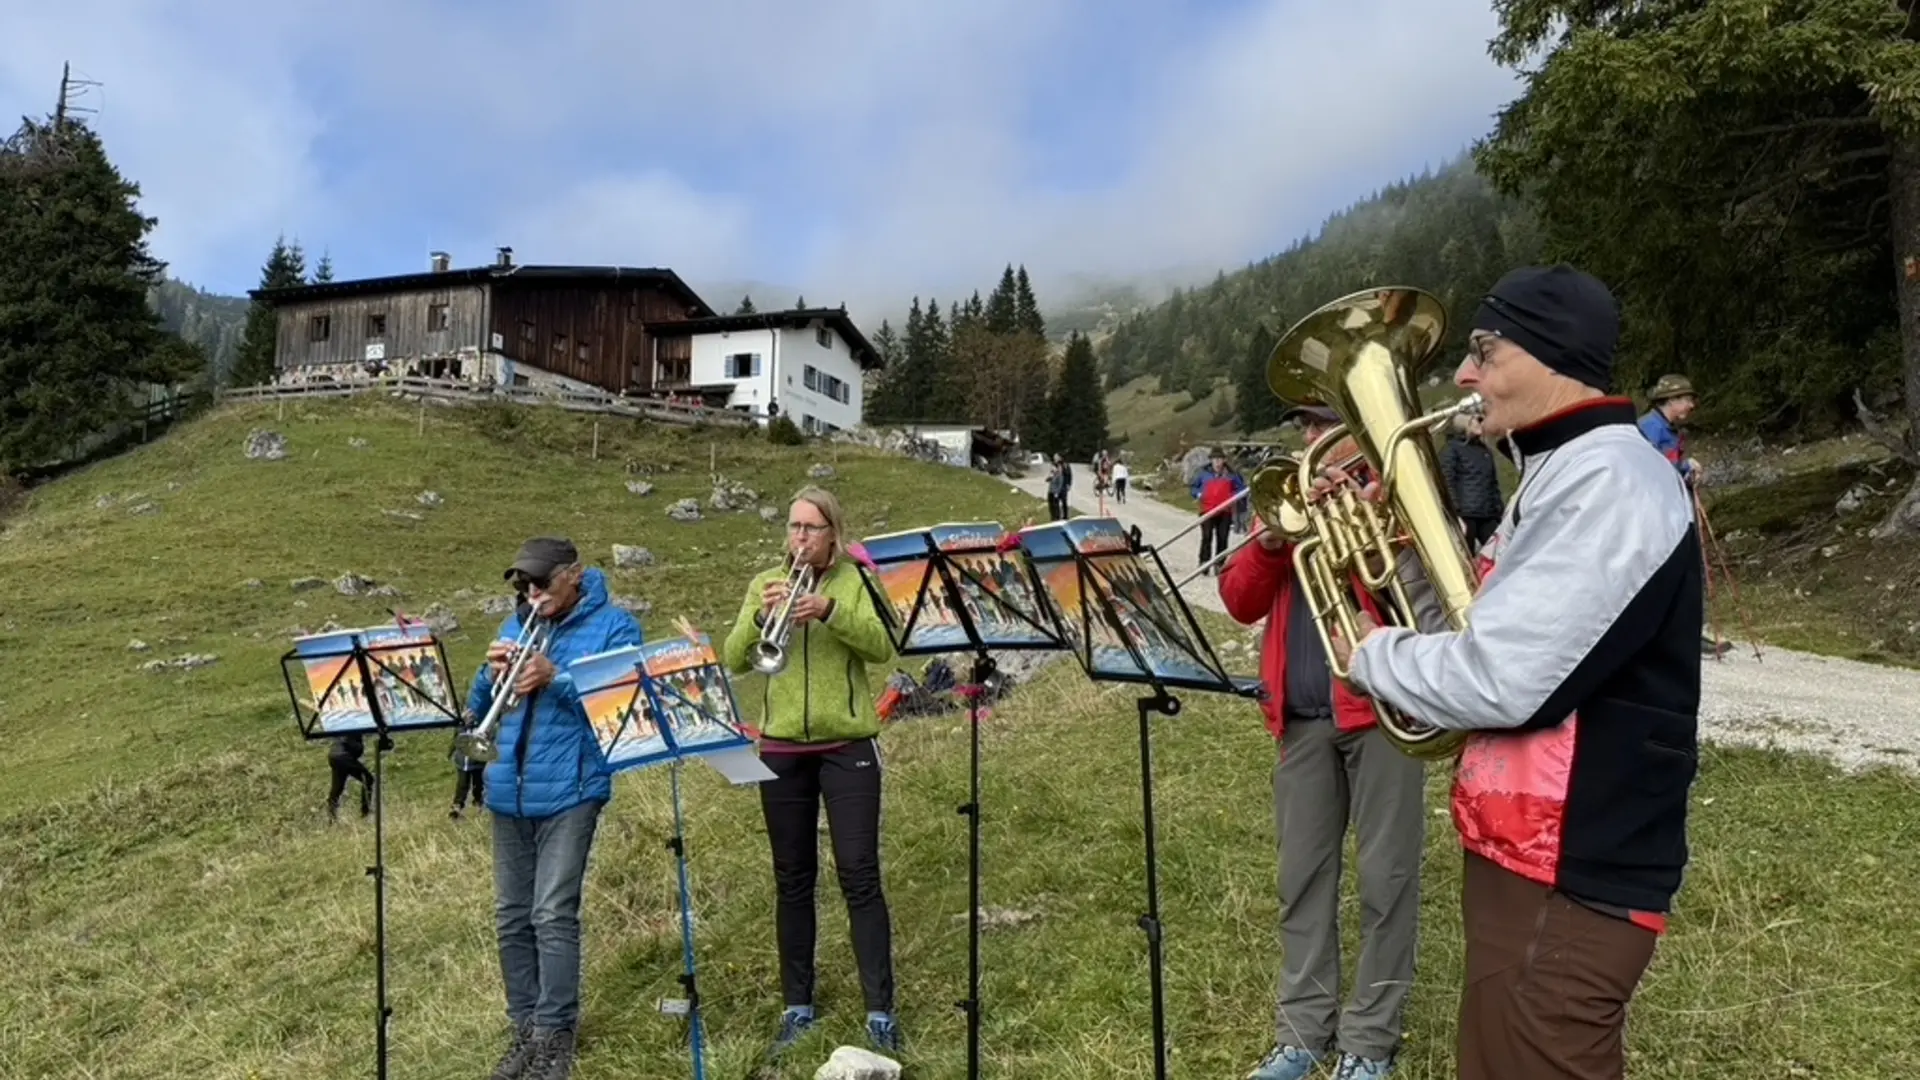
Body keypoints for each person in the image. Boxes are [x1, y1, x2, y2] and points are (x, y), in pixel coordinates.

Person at [1331, 265, 1702, 1080]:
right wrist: (1403, 557)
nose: (1464, 375)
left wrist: (1370, 658)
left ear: (1552, 357)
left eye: (1486, 352)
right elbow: (1483, 635)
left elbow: (1501, 679)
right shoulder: (1561, 473)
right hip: (1530, 856)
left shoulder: (1611, 479)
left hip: (1574, 866)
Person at [1220, 404, 1428, 1080]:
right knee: (1302, 879)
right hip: (1303, 719)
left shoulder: (1396, 493)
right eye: (1306, 428)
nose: (1313, 440)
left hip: (1382, 718)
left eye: (1324, 426)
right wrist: (1272, 542)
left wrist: (1374, 540)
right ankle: (1303, 1034)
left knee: (1385, 879)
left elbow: (1432, 607)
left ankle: (1370, 1039)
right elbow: (1240, 601)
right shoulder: (1286, 502)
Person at [723, 485, 904, 1059]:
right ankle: (796, 1006)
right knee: (792, 878)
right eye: (794, 527)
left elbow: (885, 644)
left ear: (833, 533)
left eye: (811, 528)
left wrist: (829, 611)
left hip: (847, 743)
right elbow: (732, 657)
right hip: (780, 749)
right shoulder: (765, 582)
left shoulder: (856, 580)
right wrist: (761, 617)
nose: (799, 538)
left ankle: (879, 1011)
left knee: (858, 873)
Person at [470, 537, 644, 1080]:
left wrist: (556, 678)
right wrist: (488, 675)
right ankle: (523, 1029)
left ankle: (554, 1034)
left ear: (576, 575)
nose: (532, 592)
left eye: (542, 582)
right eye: (525, 584)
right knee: (510, 917)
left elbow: (620, 704)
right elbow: (479, 709)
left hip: (572, 788)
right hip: (508, 789)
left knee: (551, 913)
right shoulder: (512, 627)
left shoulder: (616, 626)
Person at [1438, 411, 1504, 553]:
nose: (1481, 422)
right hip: (1466, 516)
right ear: (1465, 423)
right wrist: (1456, 515)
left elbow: (1492, 483)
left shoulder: (1484, 450)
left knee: (1500, 553)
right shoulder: (1451, 449)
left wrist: (1499, 511)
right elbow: (1447, 482)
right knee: (1466, 556)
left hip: (1488, 515)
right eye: (1476, 419)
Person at [1190, 448, 1248, 575]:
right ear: (1211, 461)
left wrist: (1233, 496)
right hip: (1207, 510)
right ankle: (1204, 563)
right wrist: (1199, 494)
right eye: (1215, 459)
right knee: (1206, 537)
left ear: (1224, 460)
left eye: (1220, 459)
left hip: (1225, 511)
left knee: (1222, 538)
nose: (1217, 462)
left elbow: (1242, 489)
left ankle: (1220, 564)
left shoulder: (1232, 475)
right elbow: (1193, 487)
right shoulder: (1203, 474)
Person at [1638, 373, 1702, 486]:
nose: (1692, 405)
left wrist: (1687, 468)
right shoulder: (1650, 427)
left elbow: (1668, 463)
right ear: (1672, 400)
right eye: (1687, 400)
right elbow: (1649, 468)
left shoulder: (1669, 427)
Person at [325, 734, 374, 823]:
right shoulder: (354, 725)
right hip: (344, 756)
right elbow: (348, 741)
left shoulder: (347, 723)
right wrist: (359, 746)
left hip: (334, 756)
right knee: (368, 779)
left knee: (337, 788)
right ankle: (365, 813)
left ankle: (331, 818)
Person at [449, 718, 488, 820]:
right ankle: (457, 807)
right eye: (467, 715)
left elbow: (488, 743)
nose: (469, 718)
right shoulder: (460, 727)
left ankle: (479, 802)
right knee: (462, 785)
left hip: (477, 762)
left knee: (478, 784)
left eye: (472, 716)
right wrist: (450, 753)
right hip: (462, 763)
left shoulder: (482, 727)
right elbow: (454, 740)